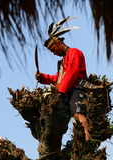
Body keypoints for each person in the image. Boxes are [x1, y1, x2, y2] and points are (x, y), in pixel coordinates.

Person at [35, 17, 91, 157]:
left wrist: (60, 92)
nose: (53, 53)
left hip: (77, 88)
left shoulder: (74, 53)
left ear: (59, 43)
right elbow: (59, 78)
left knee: (78, 112)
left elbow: (72, 73)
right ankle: (57, 151)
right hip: (64, 92)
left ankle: (87, 136)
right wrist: (43, 78)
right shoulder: (62, 62)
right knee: (59, 121)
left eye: (53, 49)